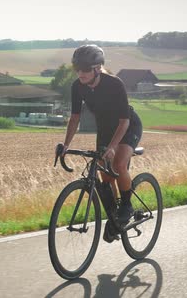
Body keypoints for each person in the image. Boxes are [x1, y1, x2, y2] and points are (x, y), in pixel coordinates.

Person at [60, 44, 143, 242]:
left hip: (128, 126)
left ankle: (126, 206)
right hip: (105, 129)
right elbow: (74, 117)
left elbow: (124, 121)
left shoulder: (114, 84)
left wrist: (114, 147)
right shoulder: (77, 86)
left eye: (86, 69)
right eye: (77, 69)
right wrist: (65, 145)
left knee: (118, 164)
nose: (81, 73)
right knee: (105, 178)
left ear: (97, 68)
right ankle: (115, 218)